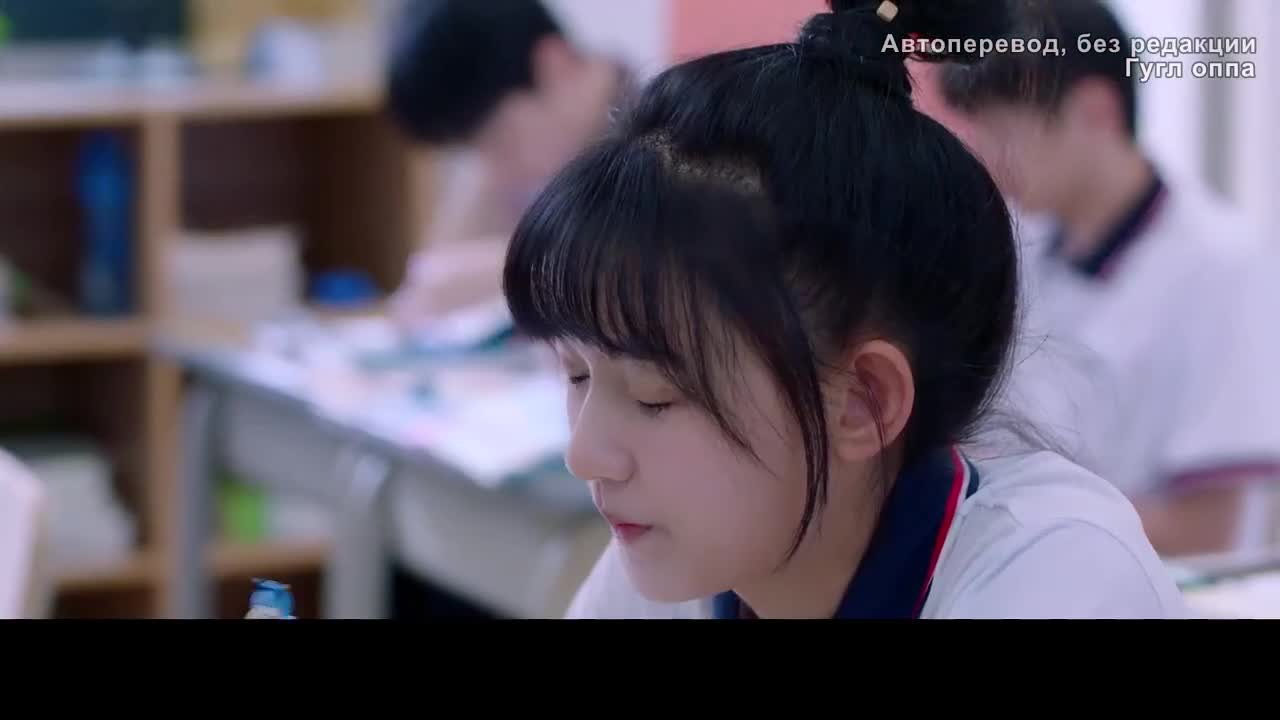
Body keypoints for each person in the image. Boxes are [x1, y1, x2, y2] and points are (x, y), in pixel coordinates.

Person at [500, 0, 1191, 618]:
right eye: (576, 374)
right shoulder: (676, 567)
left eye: (655, 397)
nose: (584, 454)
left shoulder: (1057, 579)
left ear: (864, 400)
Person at [936, 0, 1280, 558]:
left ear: (1097, 111)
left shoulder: (1222, 265)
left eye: (1007, 129)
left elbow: (1208, 531)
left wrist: (1008, 510)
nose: (991, 157)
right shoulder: (1018, 242)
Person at [385, 0, 634, 323]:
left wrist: (519, 269)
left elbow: (652, 271)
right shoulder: (542, 155)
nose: (496, 174)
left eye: (501, 142)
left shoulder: (667, 127)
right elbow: (430, 283)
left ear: (554, 65)